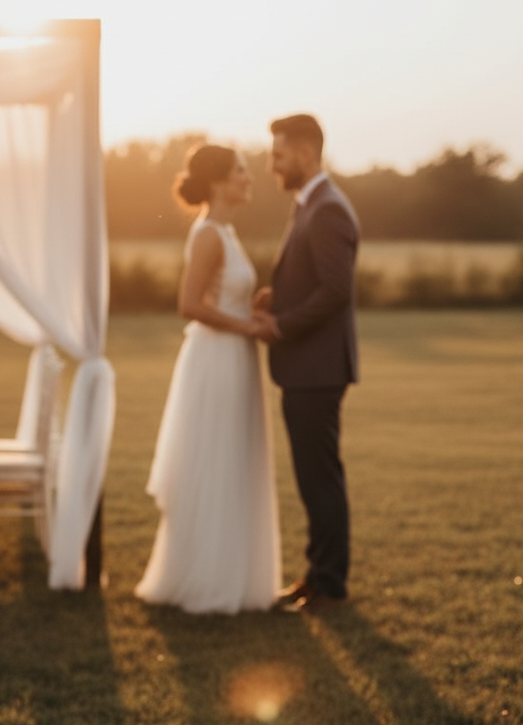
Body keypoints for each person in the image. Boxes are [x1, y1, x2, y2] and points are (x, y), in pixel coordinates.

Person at [136, 144, 281, 614]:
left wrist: (252, 308)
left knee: (235, 460)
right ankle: (205, 581)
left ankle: (235, 577)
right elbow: (190, 305)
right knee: (216, 460)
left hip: (235, 356)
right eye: (241, 171)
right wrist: (248, 327)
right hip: (216, 360)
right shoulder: (207, 235)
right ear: (218, 182)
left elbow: (223, 297)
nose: (249, 178)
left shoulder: (227, 231)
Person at [254, 114, 360, 614]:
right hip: (307, 367)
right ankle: (316, 573)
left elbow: (337, 291)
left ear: (304, 152)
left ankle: (329, 583)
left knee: (320, 478)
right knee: (313, 476)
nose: (272, 164)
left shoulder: (328, 209)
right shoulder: (311, 205)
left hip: (316, 369)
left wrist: (282, 324)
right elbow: (316, 280)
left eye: (278, 154)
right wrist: (280, 298)